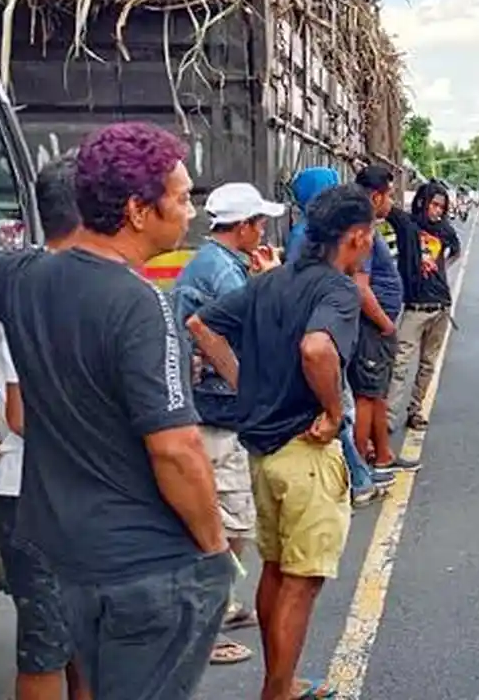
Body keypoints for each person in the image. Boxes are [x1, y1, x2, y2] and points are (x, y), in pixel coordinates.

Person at [0, 122, 232, 700]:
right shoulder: (142, 308)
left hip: (73, 560)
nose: (190, 212)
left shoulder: (25, 278)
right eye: (181, 198)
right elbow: (175, 449)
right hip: (148, 569)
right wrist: (214, 548)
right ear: (137, 210)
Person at [187, 184, 374, 700]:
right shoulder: (336, 290)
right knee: (302, 579)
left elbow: (201, 323)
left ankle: (282, 684)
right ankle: (277, 692)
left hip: (263, 452)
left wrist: (245, 380)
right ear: (356, 237)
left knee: (276, 569)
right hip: (304, 451)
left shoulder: (271, 282)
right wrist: (334, 411)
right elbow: (317, 349)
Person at [0, 158, 91, 700]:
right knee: (48, 645)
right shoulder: (43, 292)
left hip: (36, 490)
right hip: (44, 491)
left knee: (77, 641)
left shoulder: (20, 284)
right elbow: (19, 415)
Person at [173, 182, 286, 665]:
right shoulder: (224, 274)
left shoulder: (215, 264)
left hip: (212, 410)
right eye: (258, 223)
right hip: (218, 414)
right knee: (227, 519)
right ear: (241, 227)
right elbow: (256, 330)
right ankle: (206, 625)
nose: (262, 230)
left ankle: (220, 605)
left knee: (223, 516)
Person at [286, 167, 394, 508]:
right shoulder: (322, 251)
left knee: (343, 408)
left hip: (324, 334)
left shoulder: (305, 236)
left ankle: (358, 473)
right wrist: (385, 323)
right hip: (324, 336)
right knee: (340, 410)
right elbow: (316, 347)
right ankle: (358, 478)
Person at [353, 166, 419, 473]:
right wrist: (385, 322)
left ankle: (382, 455)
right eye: (389, 195)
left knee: (377, 392)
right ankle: (360, 468)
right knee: (367, 395)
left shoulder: (368, 226)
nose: (391, 202)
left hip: (379, 324)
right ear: (376, 195)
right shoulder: (361, 230)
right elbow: (360, 286)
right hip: (374, 326)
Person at [387, 180, 460, 433]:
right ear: (422, 202)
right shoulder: (408, 225)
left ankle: (415, 411)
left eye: (442, 206)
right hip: (415, 307)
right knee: (400, 364)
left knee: (428, 364)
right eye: (434, 205)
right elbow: (384, 204)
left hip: (441, 306)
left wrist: (439, 270)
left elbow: (455, 251)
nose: (437, 211)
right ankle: (386, 422)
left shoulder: (445, 230)